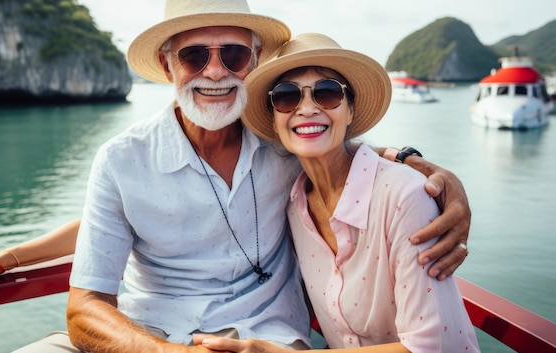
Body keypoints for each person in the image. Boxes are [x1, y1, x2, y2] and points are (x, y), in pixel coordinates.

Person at [0, 0, 470, 352]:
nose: (215, 71)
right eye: (194, 56)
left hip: (264, 338)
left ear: (254, 63)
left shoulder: (283, 139)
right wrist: (0, 261)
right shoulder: (122, 160)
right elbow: (87, 298)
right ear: (168, 66)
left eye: (233, 55)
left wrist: (430, 173)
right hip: (138, 336)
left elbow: (344, 145)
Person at [198, 33, 479, 352]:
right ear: (276, 119)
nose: (306, 109)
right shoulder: (295, 204)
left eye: (327, 93)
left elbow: (432, 346)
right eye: (287, 97)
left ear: (351, 111)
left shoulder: (405, 195)